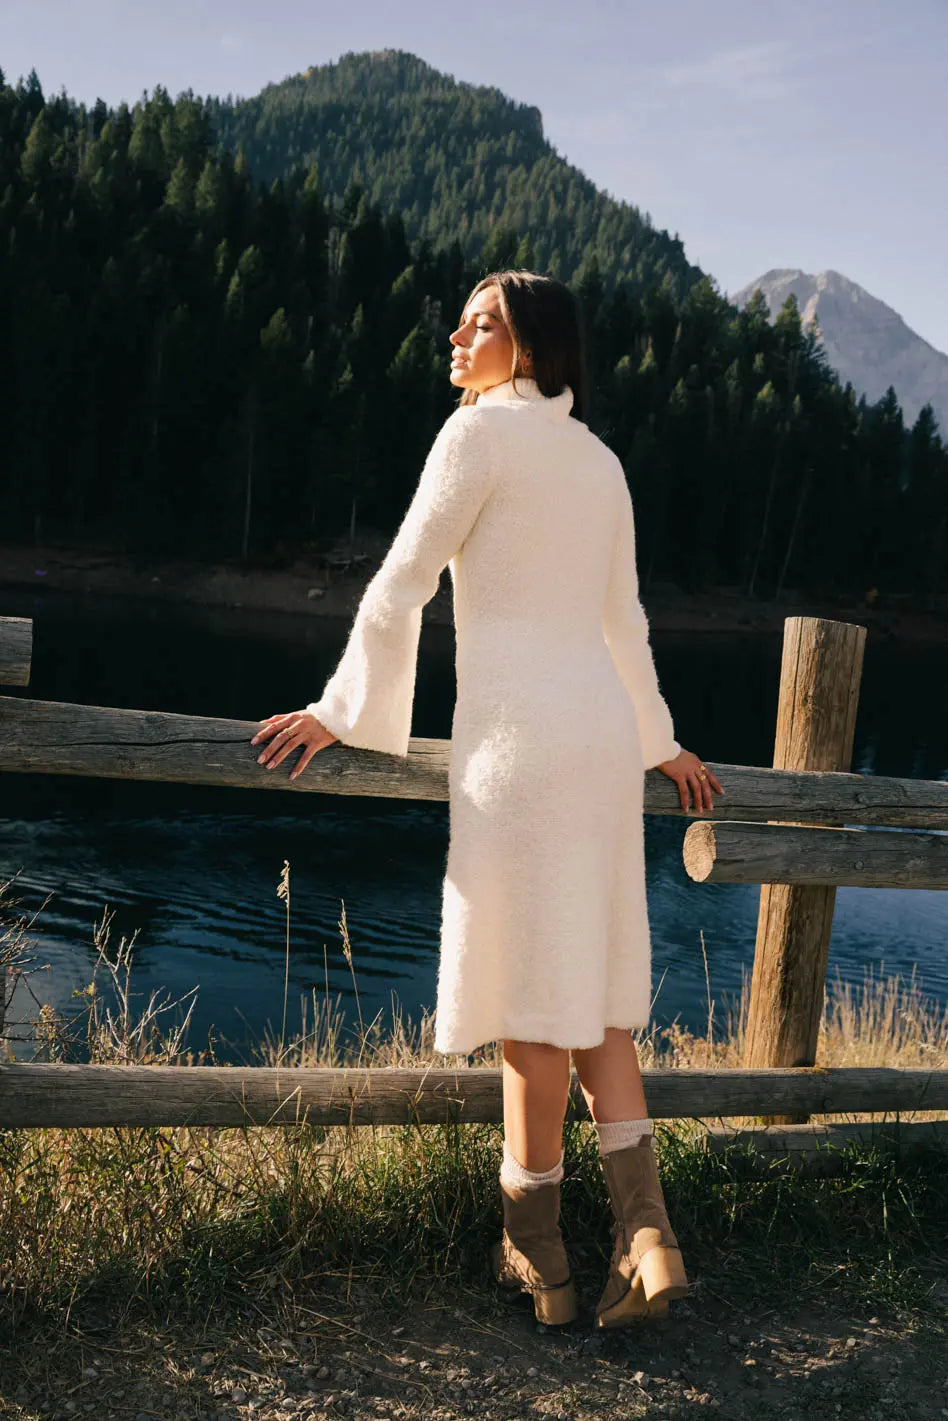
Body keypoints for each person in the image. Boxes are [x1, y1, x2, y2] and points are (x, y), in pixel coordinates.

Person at [250, 269, 725, 1329]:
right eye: (460, 323)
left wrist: (341, 707)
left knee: (527, 1005)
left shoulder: (475, 436)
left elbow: (404, 579)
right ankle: (647, 1234)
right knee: (593, 991)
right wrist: (658, 742)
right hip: (598, 742)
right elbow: (625, 623)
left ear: (534, 347)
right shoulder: (600, 462)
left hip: (519, 744)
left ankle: (540, 1257)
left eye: (484, 325)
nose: (458, 339)